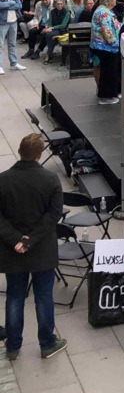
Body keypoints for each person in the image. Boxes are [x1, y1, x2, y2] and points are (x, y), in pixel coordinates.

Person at [0, 134, 67, 361]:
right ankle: (47, 343)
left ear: (20, 151)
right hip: (42, 250)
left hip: (13, 250)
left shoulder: (3, 180)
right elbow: (54, 214)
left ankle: (13, 346)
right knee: (43, 297)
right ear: (40, 155)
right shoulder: (50, 179)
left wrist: (16, 240)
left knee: (15, 297)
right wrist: (31, 240)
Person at [91, 0, 122, 105]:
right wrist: (115, 43)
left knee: (111, 70)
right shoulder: (103, 12)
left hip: (106, 46)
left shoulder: (105, 11)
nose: (116, 0)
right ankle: (106, 96)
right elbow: (106, 30)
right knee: (108, 72)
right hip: (105, 47)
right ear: (109, 0)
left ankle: (113, 92)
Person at [0, 0, 24, 74]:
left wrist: (6, 5)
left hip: (13, 21)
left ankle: (14, 63)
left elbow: (19, 5)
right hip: (2, 22)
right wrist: (11, 3)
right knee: (0, 45)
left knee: (12, 44)